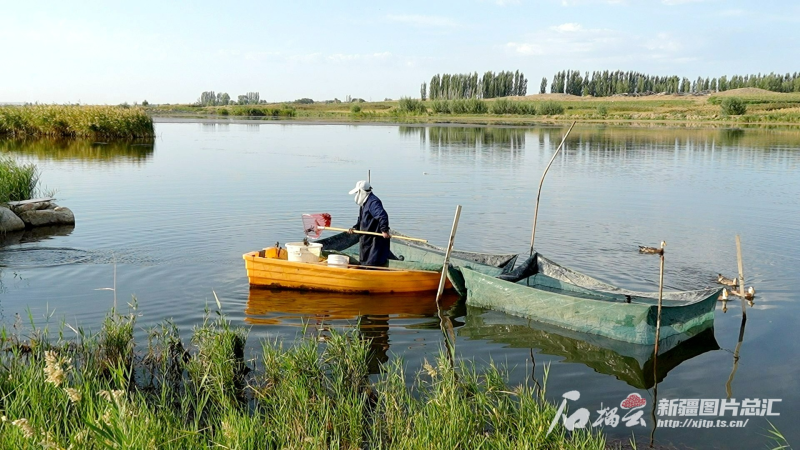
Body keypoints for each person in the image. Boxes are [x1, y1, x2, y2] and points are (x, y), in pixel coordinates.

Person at [347, 180, 394, 266]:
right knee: (365, 259)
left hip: (374, 240)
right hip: (366, 238)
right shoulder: (364, 203)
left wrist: (384, 230)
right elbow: (361, 219)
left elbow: (382, 216)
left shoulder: (373, 202)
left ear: (361, 192)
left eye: (357, 192)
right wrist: (355, 227)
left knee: (371, 262)